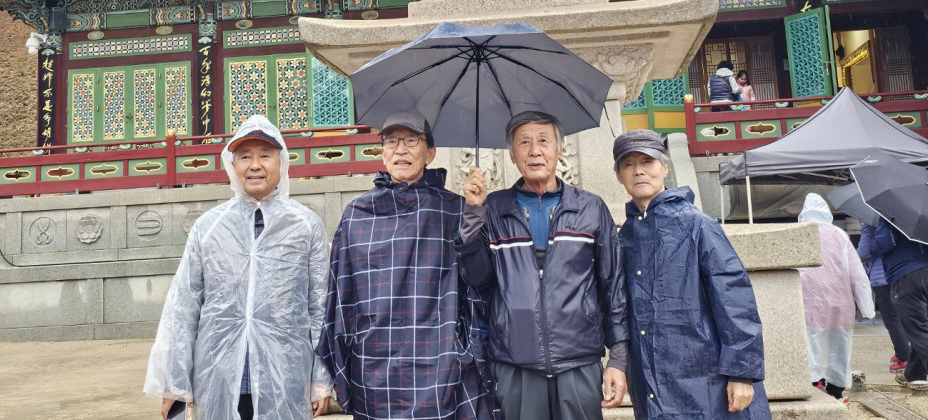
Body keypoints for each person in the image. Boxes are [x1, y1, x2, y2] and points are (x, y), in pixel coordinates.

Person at [144, 115, 332, 420]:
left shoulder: (306, 226)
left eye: (265, 156)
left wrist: (321, 379)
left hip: (285, 375)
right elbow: (184, 306)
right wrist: (176, 381)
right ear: (232, 165)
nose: (255, 165)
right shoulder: (209, 227)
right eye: (245, 157)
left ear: (281, 162)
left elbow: (320, 306)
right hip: (219, 373)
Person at [318, 109, 495, 420]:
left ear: (430, 153)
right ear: (382, 152)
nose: (400, 149)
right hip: (374, 368)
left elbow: (480, 281)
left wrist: (474, 214)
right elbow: (339, 297)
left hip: (442, 364)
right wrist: (329, 370)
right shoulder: (357, 214)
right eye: (391, 141)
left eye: (411, 140)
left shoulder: (455, 209)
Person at [458, 110, 628, 420]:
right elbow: (477, 278)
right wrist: (472, 214)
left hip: (578, 361)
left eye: (544, 141)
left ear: (560, 150)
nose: (535, 151)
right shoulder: (493, 208)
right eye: (524, 142)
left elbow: (612, 286)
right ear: (512, 154)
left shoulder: (590, 208)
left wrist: (617, 357)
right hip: (515, 363)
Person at [613, 129, 771, 419]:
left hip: (706, 373)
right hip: (649, 376)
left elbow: (734, 298)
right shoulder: (625, 237)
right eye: (628, 164)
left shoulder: (697, 225)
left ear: (664, 168)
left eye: (647, 162)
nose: (638, 171)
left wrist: (741, 372)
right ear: (619, 175)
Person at [797, 193, 875, 401]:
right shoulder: (840, 235)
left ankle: (815, 383)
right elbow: (856, 272)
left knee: (810, 344)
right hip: (840, 302)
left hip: (808, 302)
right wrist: (866, 306)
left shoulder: (799, 234)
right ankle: (836, 389)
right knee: (839, 346)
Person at [875, 215, 928, 391]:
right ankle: (914, 374)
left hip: (906, 275)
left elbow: (883, 244)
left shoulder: (890, 212)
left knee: (918, 329)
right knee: (921, 329)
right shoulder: (922, 211)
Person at [857, 222, 910, 375]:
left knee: (891, 319)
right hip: (901, 273)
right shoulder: (898, 220)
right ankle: (904, 352)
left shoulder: (870, 224)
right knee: (904, 316)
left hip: (882, 278)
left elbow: (863, 252)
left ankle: (904, 357)